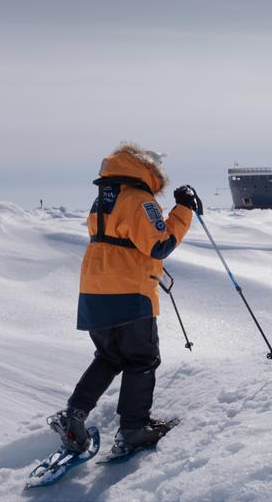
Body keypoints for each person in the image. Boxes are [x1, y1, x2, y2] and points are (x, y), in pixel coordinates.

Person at [48, 141, 199, 455]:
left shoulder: (103, 199)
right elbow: (159, 246)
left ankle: (74, 415)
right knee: (141, 359)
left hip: (94, 291)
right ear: (147, 170)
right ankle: (134, 429)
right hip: (129, 292)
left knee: (109, 357)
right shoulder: (139, 200)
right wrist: (183, 209)